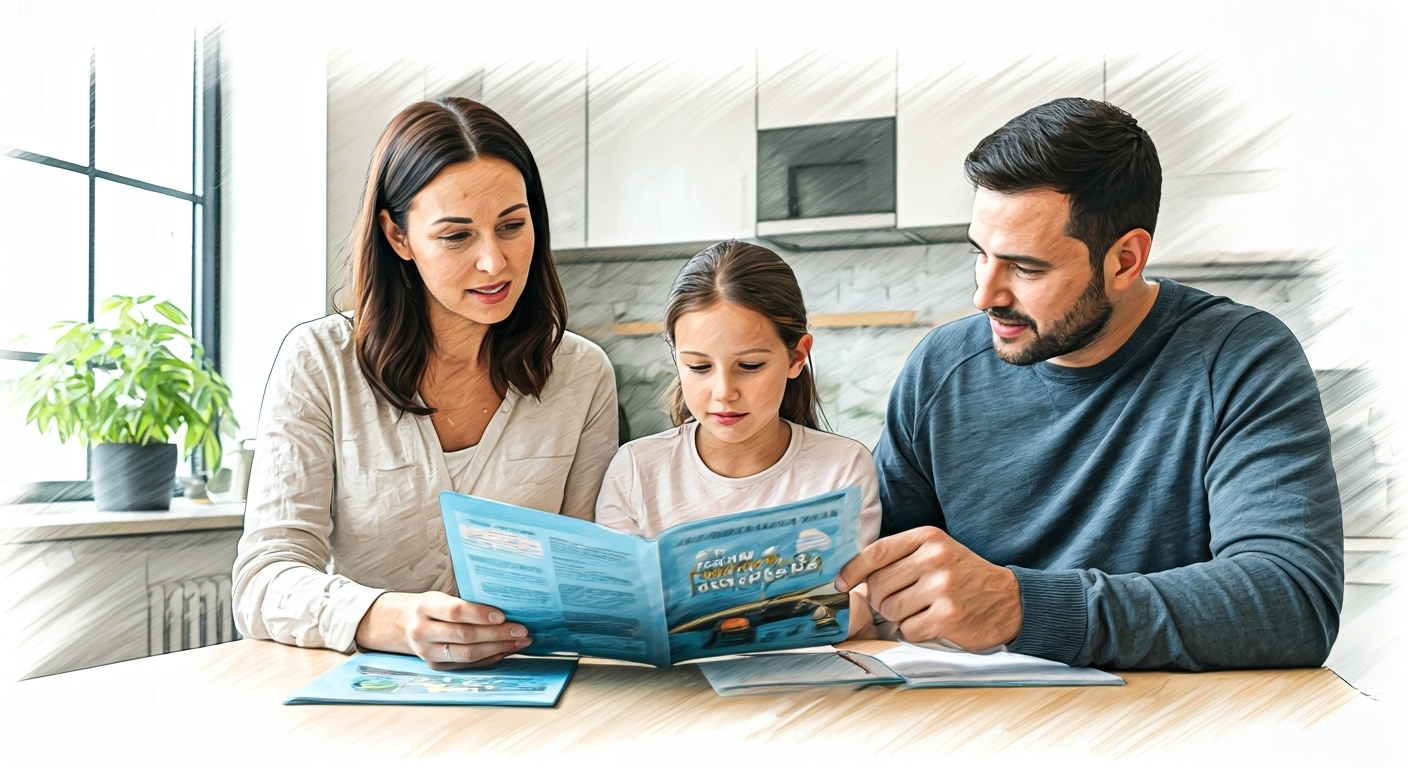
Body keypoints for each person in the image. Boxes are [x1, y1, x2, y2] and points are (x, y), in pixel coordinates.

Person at [836, 97, 1343, 670]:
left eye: (1026, 268)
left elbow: (1293, 602)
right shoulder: (940, 366)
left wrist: (1022, 608)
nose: (985, 296)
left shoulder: (1239, 358)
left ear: (1125, 260)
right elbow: (872, 568)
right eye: (980, 255)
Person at [232, 98, 619, 669]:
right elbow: (264, 581)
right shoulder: (319, 361)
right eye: (456, 236)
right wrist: (390, 618)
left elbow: (589, 568)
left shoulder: (582, 374)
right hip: (365, 699)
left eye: (512, 226)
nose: (495, 262)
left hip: (530, 689)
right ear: (397, 236)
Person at [595, 240, 883, 637]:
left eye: (749, 365)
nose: (723, 391)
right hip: (670, 690)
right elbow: (614, 608)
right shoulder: (636, 470)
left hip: (805, 684)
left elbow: (858, 600)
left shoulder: (842, 468)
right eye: (698, 367)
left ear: (797, 357)